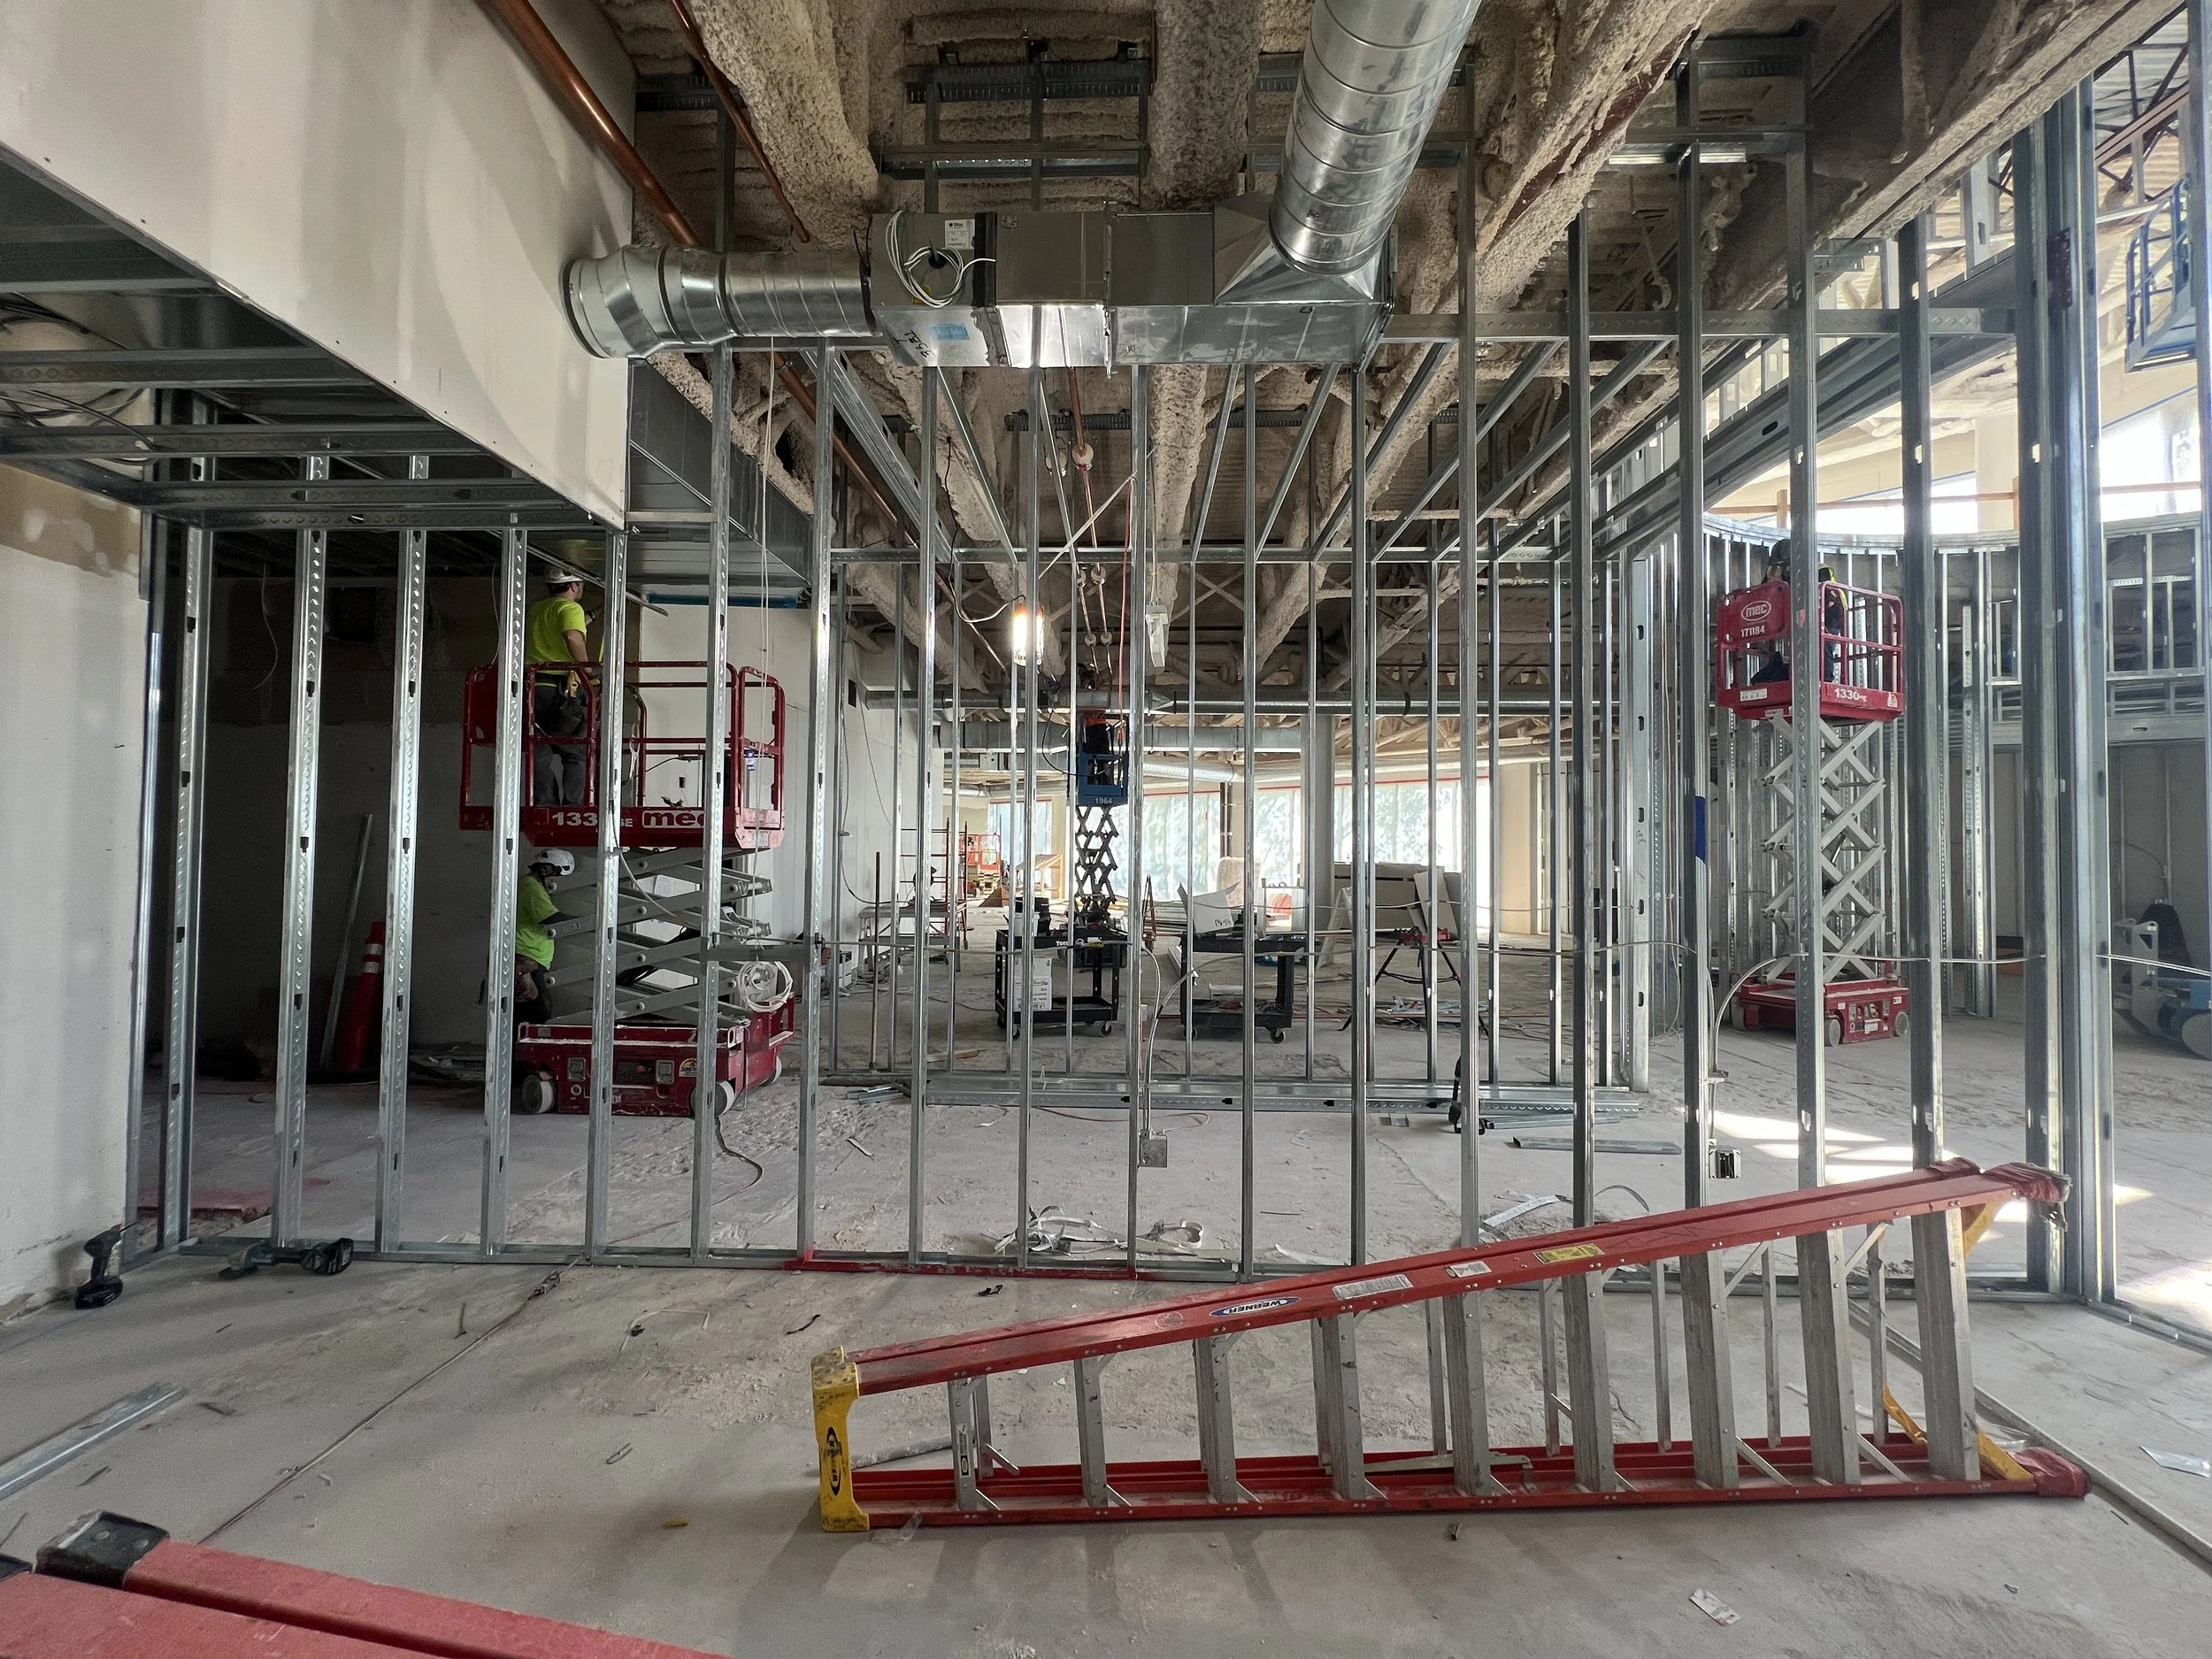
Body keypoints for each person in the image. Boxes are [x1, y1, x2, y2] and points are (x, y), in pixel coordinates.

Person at [526, 575, 593, 806]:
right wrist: (587, 672)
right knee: (575, 751)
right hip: (562, 689)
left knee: (539, 750)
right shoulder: (570, 607)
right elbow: (572, 635)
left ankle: (545, 803)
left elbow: (555, 631)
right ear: (574, 586)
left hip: (534, 687)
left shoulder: (535, 609)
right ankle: (573, 806)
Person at [514, 848, 574, 1025]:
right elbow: (550, 918)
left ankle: (517, 1051)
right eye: (558, 875)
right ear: (546, 869)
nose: (557, 882)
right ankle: (520, 1051)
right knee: (537, 1012)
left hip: (530, 958)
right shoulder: (531, 887)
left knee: (531, 1010)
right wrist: (589, 922)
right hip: (526, 958)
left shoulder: (532, 886)